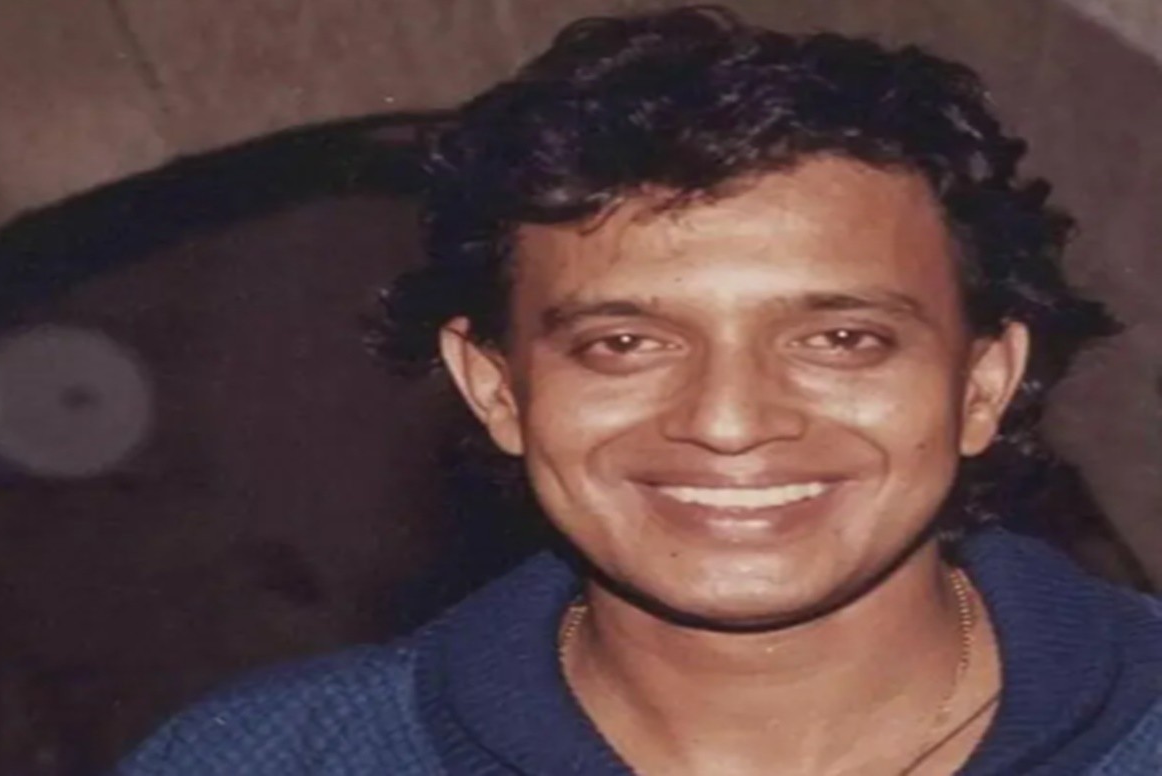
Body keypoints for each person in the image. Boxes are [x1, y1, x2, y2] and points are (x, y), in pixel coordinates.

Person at [115, 6, 1162, 774]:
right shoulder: (267, 760)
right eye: (625, 343)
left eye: (842, 339)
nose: (729, 420)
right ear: (496, 388)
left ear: (983, 383)